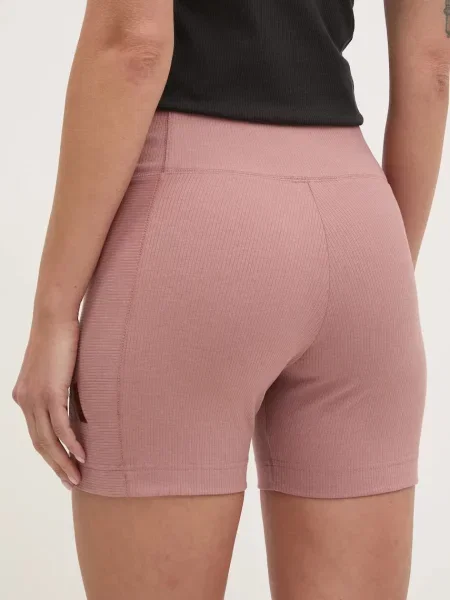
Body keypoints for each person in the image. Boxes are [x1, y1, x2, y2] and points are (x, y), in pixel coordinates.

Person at [11, 0, 449, 598]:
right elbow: (434, 64)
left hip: (190, 219)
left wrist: (54, 313)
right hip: (361, 220)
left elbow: (133, 43)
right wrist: (384, 276)